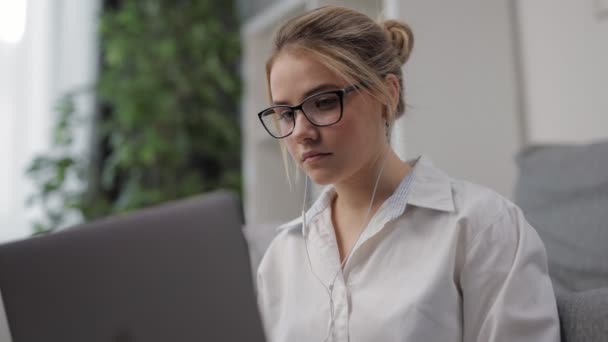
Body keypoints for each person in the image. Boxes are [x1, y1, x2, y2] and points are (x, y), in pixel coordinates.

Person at [255, 5, 560, 342]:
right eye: (285, 114)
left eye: (324, 102)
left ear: (387, 94)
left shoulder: (482, 227)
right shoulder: (282, 257)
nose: (301, 131)